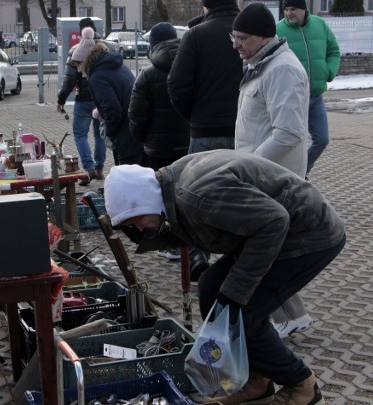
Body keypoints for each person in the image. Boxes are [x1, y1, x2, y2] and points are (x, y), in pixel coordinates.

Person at [103, 151, 346, 405]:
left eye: (136, 221)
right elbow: (196, 226)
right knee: (210, 288)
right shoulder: (170, 185)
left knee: (243, 314)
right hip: (270, 234)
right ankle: (256, 381)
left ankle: (302, 384)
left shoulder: (195, 195)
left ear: (144, 202)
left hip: (308, 235)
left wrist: (237, 291)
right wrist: (149, 237)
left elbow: (274, 221)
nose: (138, 228)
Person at [232, 3, 313, 340]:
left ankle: (288, 317)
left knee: (265, 251)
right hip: (259, 174)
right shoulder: (262, 64)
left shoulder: (282, 70)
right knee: (265, 251)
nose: (235, 44)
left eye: (242, 38)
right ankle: (293, 315)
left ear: (265, 37)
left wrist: (248, 165)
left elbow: (289, 133)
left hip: (271, 177)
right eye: (233, 37)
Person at [167, 0, 244, 280]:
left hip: (205, 130)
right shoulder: (249, 32)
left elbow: (176, 83)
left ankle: (199, 252)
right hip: (243, 131)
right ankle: (238, 259)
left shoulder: (197, 35)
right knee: (240, 195)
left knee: (194, 195)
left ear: (205, 6)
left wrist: (194, 115)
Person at [128, 22, 189, 261]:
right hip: (190, 144)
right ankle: (192, 245)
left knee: (163, 195)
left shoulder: (147, 74)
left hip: (158, 147)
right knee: (188, 192)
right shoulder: (190, 67)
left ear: (152, 45)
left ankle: (171, 244)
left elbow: (136, 115)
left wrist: (143, 140)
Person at [277, 0, 341, 176]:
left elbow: (334, 51)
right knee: (294, 142)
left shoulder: (320, 25)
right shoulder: (277, 30)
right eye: (286, 9)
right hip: (292, 97)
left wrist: (329, 72)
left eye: (294, 9)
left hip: (315, 96)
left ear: (304, 10)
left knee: (322, 139)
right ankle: (292, 176)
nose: (289, 13)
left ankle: (301, 172)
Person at [78, 33, 146, 166]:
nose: (78, 70)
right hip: (138, 131)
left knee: (127, 181)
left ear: (85, 61)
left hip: (126, 137)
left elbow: (113, 110)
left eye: (78, 64)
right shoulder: (116, 66)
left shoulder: (97, 77)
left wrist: (110, 133)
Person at [57, 18, 109, 186]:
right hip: (101, 98)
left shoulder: (76, 50)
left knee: (80, 135)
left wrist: (61, 99)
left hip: (84, 99)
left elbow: (69, 79)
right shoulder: (105, 48)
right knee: (100, 134)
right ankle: (100, 168)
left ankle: (89, 169)